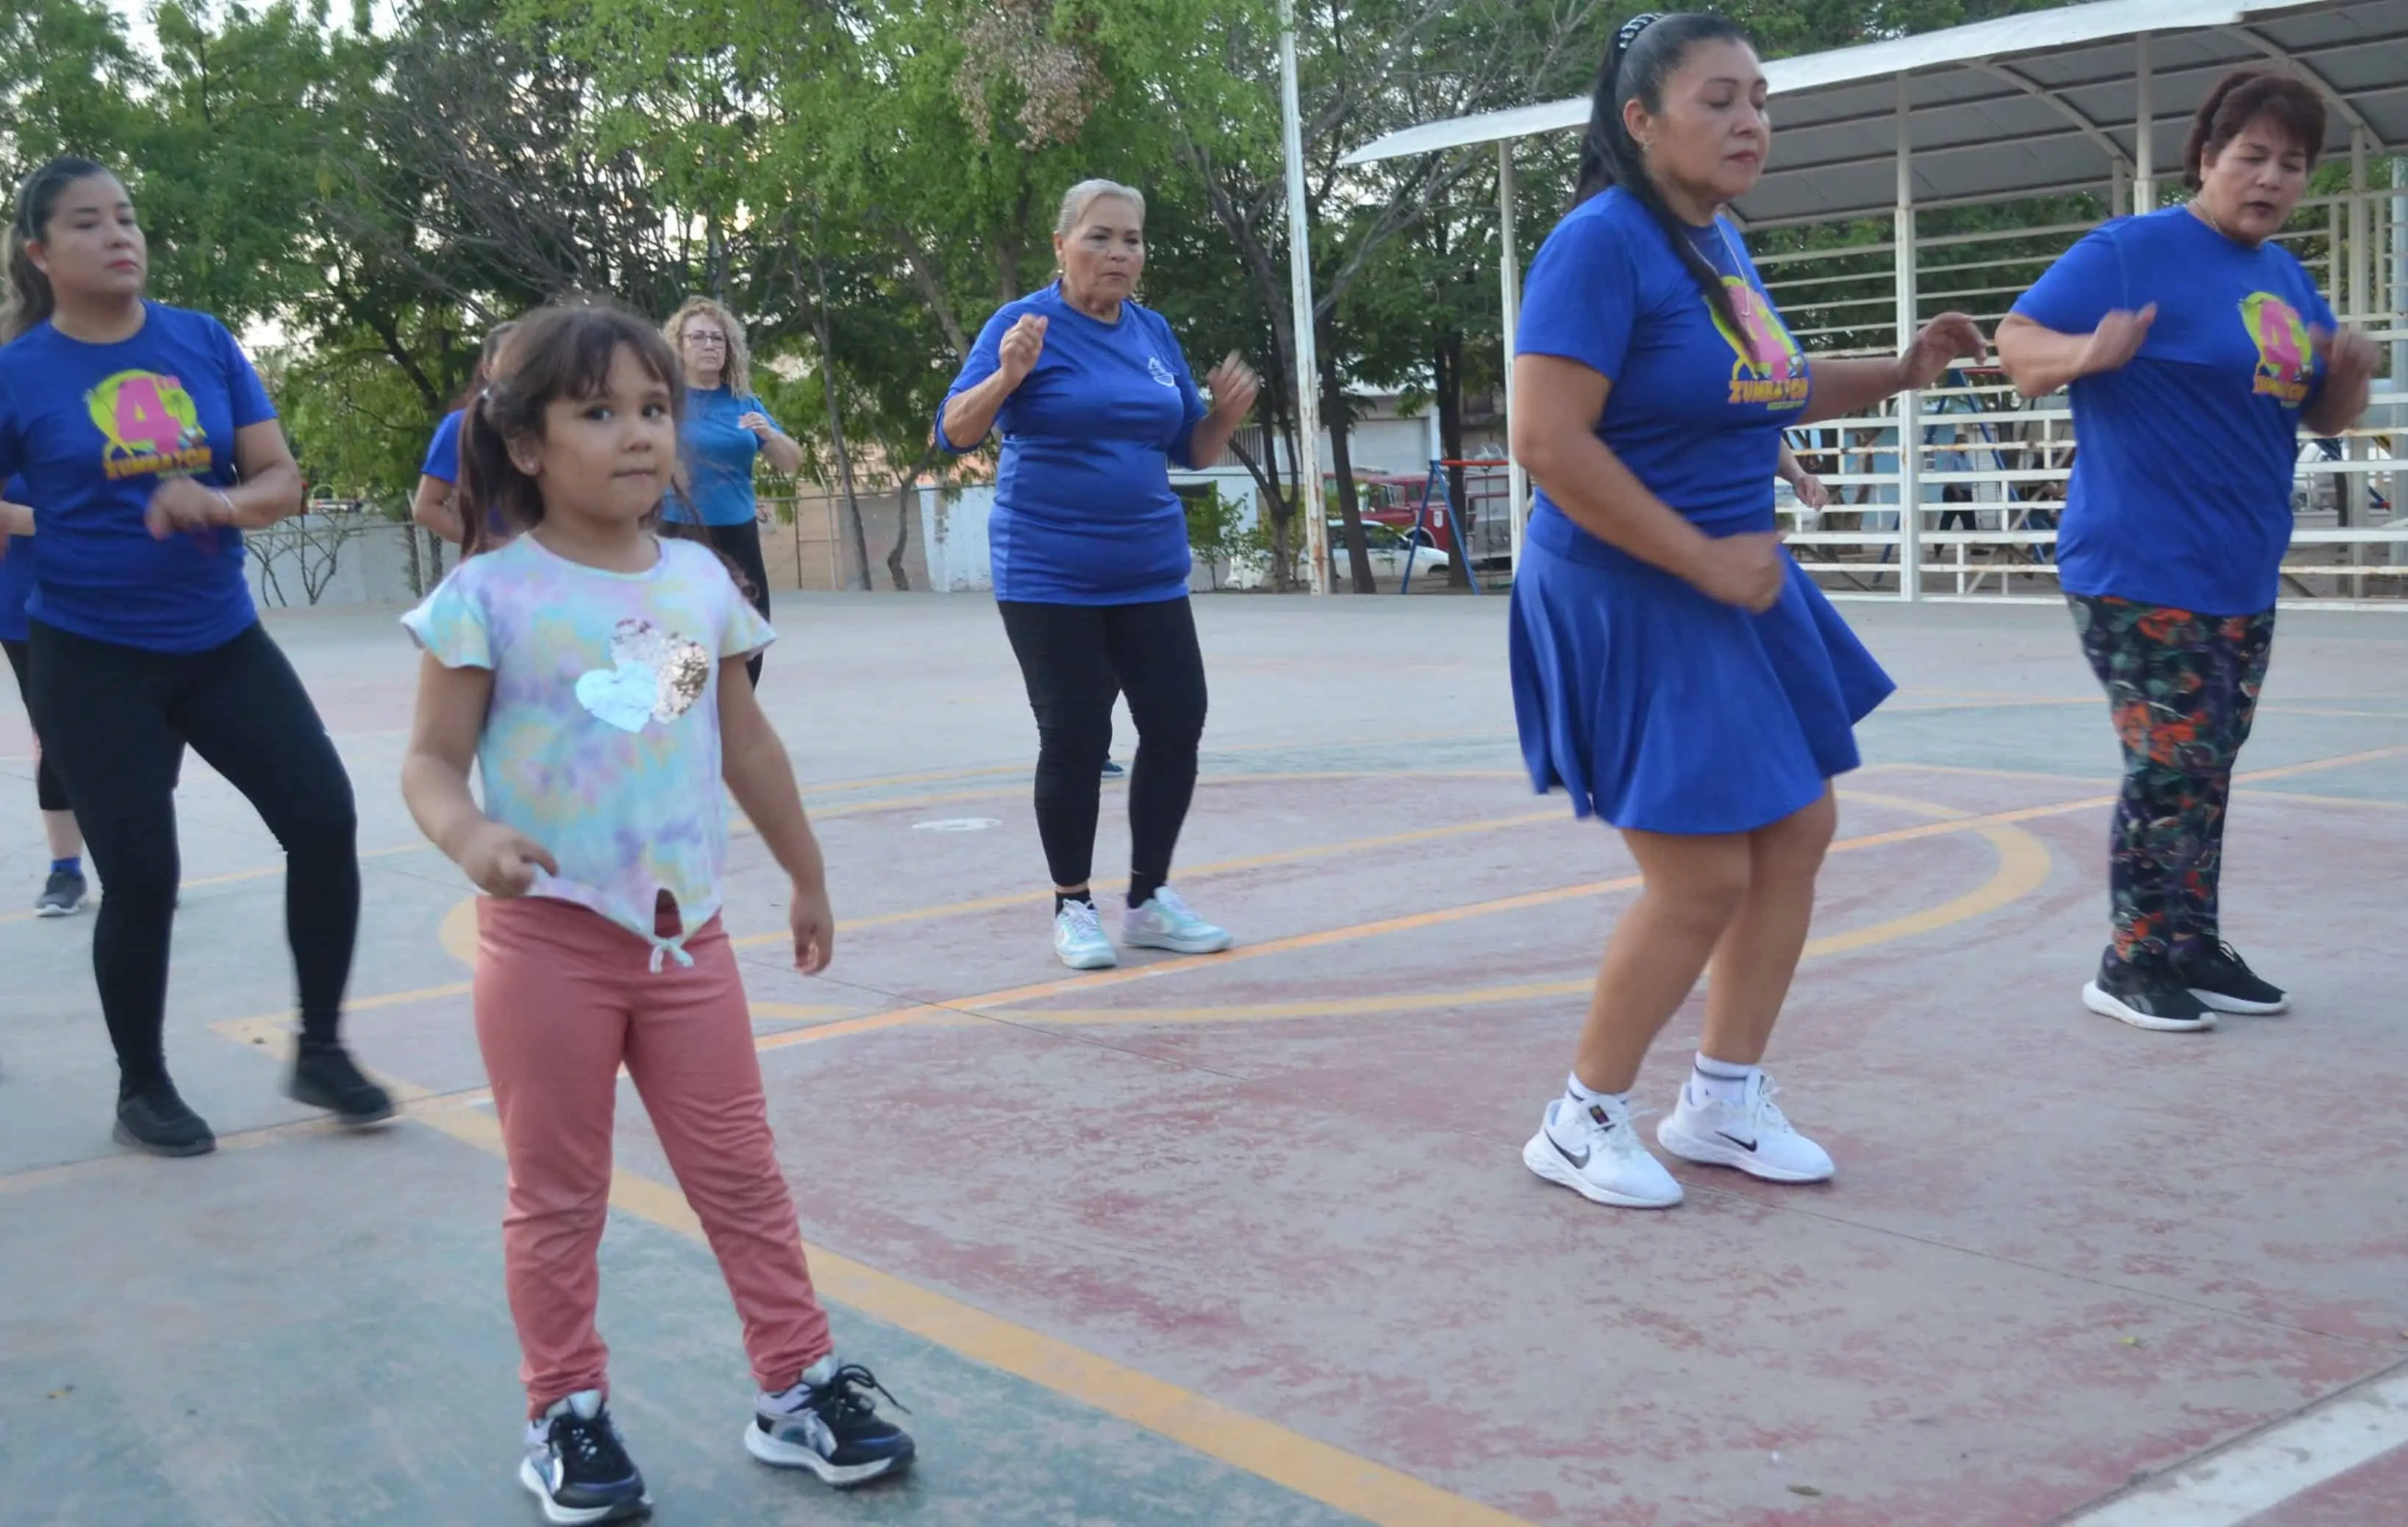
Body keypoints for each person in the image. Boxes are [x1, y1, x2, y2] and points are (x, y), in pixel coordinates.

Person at [398, 303, 915, 1524]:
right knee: (559, 1191)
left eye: (651, 410)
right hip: (546, 949)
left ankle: (795, 1386)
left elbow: (740, 739)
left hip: (689, 942)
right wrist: (470, 834)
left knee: (741, 1173)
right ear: (525, 444)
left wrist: (807, 870)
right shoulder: (490, 594)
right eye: (598, 412)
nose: (637, 434)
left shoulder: (697, 581)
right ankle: (564, 1411)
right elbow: (427, 761)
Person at [1507, 14, 1985, 1210]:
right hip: (1634, 585)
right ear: (1640, 121)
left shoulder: (1715, 243)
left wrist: (1900, 369)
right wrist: (1702, 559)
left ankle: (1722, 1097)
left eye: (1760, 99)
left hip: (1731, 574)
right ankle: (1581, 1118)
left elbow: (1763, 378)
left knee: (1800, 827)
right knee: (1700, 876)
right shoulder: (1599, 244)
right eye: (1719, 99)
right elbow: (1546, 438)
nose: (1750, 122)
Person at [0, 155, 391, 1155]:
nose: (118, 235)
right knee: (143, 875)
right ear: (42, 255)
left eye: (126, 216)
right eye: (87, 224)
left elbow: (280, 479)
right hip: (90, 656)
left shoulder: (203, 342)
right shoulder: (19, 373)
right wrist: (39, 522)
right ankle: (144, 1086)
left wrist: (216, 501)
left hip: (220, 640)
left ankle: (322, 1048)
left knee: (322, 816)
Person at [1996, 68, 2374, 1034]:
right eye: (2249, 156)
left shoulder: (2285, 279)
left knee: (2210, 762)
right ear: (2204, 158)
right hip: (2134, 559)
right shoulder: (2131, 251)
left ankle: (2188, 944)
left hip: (2236, 566)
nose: (2269, 178)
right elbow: (2014, 342)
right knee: (2172, 760)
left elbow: (2324, 417)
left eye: (2290, 164)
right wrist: (2085, 355)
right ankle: (2128, 962)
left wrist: (2347, 375)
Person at [936, 179, 1261, 970]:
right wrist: (1007, 375)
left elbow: (1189, 448)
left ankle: (1148, 900)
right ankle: (1072, 905)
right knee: (1077, 733)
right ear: (1061, 244)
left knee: (1177, 720)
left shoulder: (1151, 333)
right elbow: (954, 431)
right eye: (1100, 237)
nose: (1119, 254)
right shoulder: (1021, 327)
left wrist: (1222, 414)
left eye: (1132, 240)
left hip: (1148, 567)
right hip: (1049, 571)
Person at [660, 297, 801, 689]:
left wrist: (769, 435)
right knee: (682, 635)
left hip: (737, 531)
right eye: (699, 337)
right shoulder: (665, 402)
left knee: (749, 631)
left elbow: (791, 462)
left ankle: (736, 724)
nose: (709, 346)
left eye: (717, 339)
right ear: (680, 346)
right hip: (678, 531)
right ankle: (687, 731)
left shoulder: (744, 402)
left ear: (729, 348)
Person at [1, 483, 88, 915]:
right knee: (56, 732)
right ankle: (65, 868)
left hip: (107, 596)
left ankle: (137, 858)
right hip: (23, 604)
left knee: (131, 730)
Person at [410, 320, 521, 547]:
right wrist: (496, 546)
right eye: (512, 354)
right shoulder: (460, 426)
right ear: (488, 369)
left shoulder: (556, 419)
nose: (522, 364)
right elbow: (425, 509)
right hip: (497, 572)